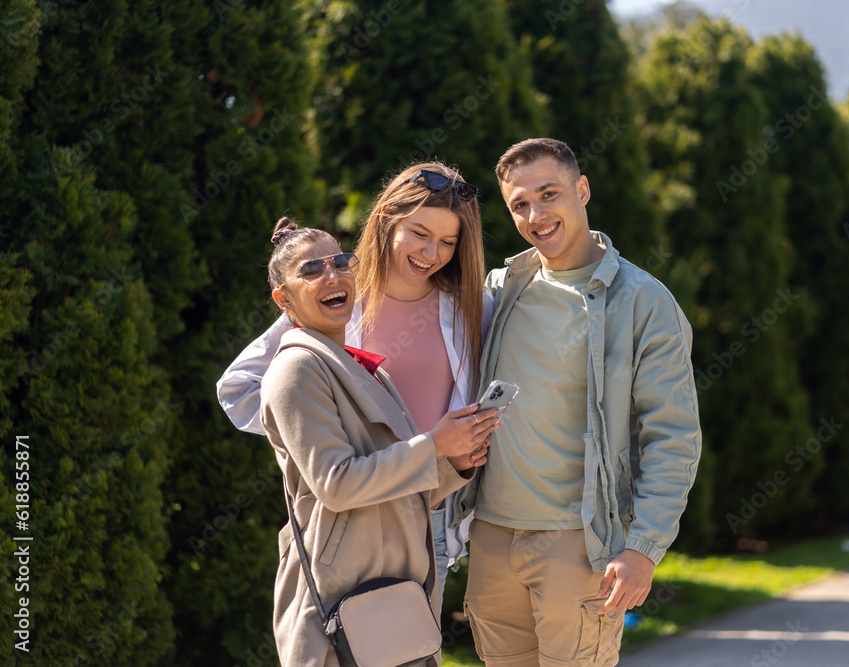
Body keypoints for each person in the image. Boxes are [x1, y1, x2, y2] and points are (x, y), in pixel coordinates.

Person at [452, 138, 702, 665]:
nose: (536, 215)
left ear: (582, 189)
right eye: (519, 204)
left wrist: (644, 548)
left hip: (579, 545)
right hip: (493, 537)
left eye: (549, 194)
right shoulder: (502, 288)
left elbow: (672, 435)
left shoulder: (645, 303)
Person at [217, 162, 493, 615]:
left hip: (432, 512)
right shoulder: (335, 299)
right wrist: (316, 438)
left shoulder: (472, 307)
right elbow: (240, 388)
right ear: (387, 221)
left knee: (415, 653)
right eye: (419, 233)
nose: (431, 252)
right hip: (348, 523)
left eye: (448, 241)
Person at [258, 217, 497, 666]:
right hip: (343, 605)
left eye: (341, 262)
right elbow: (338, 485)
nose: (333, 276)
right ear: (283, 298)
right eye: (311, 271)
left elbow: (397, 486)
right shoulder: (296, 371)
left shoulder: (364, 367)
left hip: (398, 599)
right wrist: (433, 445)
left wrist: (455, 464)